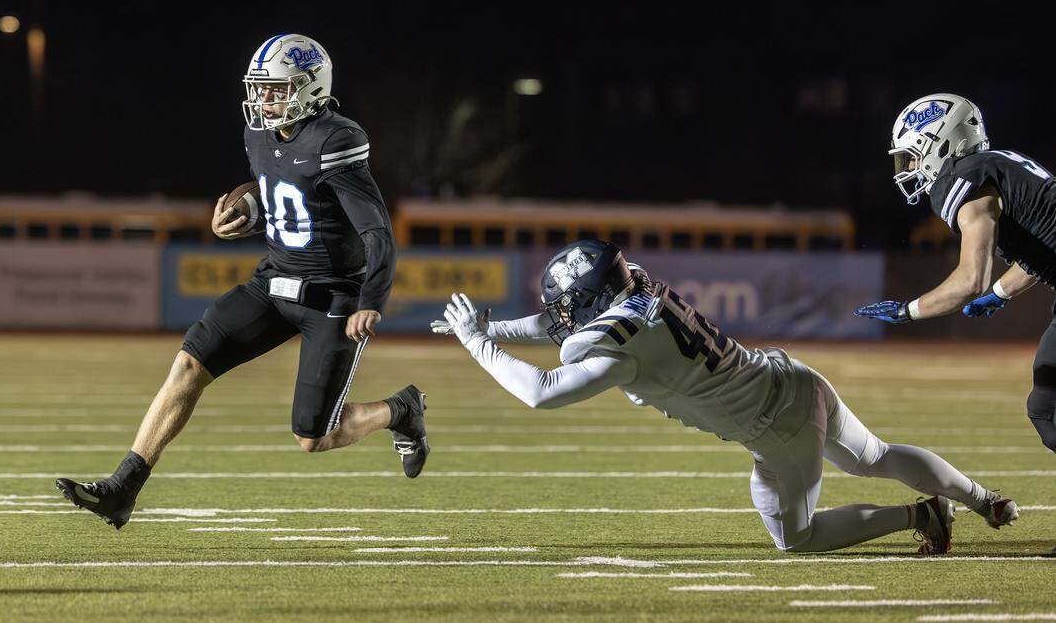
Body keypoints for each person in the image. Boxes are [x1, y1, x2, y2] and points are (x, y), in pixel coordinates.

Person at [55, 34, 429, 530]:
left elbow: (376, 230)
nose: (265, 100)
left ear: (310, 87)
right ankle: (123, 487)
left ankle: (401, 410)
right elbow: (283, 196)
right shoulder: (259, 136)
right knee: (189, 363)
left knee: (313, 436)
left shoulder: (335, 138)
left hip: (331, 296)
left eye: (276, 89)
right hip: (273, 282)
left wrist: (371, 299)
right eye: (261, 89)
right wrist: (247, 214)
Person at [433, 239, 1018, 553]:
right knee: (876, 456)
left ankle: (918, 514)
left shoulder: (619, 342)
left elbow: (541, 392)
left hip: (774, 426)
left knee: (796, 538)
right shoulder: (637, 289)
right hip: (793, 378)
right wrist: (490, 331)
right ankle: (983, 497)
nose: (556, 317)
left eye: (566, 306)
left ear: (590, 302)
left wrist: (478, 345)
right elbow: (557, 326)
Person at [856, 93, 1056, 454]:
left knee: (1049, 410)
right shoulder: (1000, 164)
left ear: (939, 142)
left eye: (911, 156)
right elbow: (1039, 252)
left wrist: (908, 310)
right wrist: (1000, 292)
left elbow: (969, 280)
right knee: (1047, 406)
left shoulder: (963, 177)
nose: (907, 168)